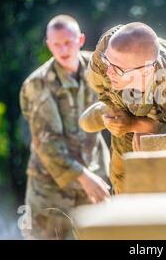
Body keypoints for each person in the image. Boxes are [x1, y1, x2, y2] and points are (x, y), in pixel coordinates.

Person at [79, 22, 166, 194]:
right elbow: (102, 87)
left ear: (145, 71)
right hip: (133, 97)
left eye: (117, 69)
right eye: (107, 62)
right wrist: (117, 114)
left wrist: (140, 125)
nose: (109, 71)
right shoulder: (109, 49)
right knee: (125, 180)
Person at [19, 14, 111, 239]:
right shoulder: (37, 84)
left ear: (80, 40)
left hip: (94, 175)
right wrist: (83, 176)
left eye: (68, 42)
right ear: (49, 45)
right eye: (56, 44)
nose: (63, 49)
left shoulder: (100, 70)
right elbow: (47, 143)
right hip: (50, 190)